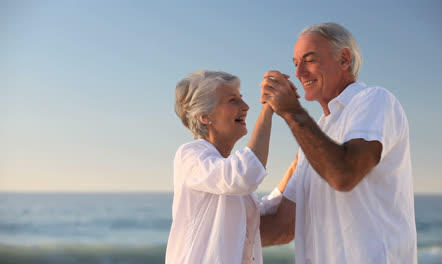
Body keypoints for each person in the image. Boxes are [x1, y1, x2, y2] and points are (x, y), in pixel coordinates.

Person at [259, 23, 417, 263]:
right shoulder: (315, 136)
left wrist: (293, 112)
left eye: (309, 60)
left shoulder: (375, 100)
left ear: (344, 59)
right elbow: (282, 226)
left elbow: (344, 174)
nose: (299, 73)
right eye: (295, 64)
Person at [166, 70, 297, 264]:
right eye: (232, 101)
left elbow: (266, 211)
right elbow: (244, 174)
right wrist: (268, 109)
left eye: (241, 99)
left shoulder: (224, 169)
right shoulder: (190, 156)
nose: (245, 107)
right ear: (204, 116)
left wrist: (300, 161)